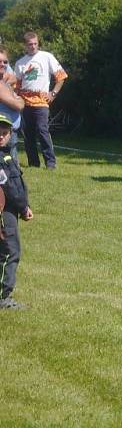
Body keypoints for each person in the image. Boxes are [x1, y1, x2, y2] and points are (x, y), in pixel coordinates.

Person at [13, 31, 68, 169]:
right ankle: (33, 163)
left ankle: (50, 163)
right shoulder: (20, 63)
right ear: (25, 45)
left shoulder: (47, 57)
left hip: (42, 102)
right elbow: (16, 86)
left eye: (35, 43)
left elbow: (61, 77)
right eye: (30, 44)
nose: (33, 46)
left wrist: (53, 93)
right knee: (28, 135)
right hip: (25, 102)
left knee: (42, 130)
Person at [0, 113, 34, 311]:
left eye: (5, 132)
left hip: (12, 210)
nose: (1, 135)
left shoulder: (7, 156)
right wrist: (23, 206)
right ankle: (3, 297)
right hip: (5, 213)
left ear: (11, 133)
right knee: (9, 252)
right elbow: (10, 189)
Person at [0, 47, 24, 160]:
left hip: (10, 130)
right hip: (3, 132)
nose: (3, 64)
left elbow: (19, 100)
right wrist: (17, 99)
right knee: (10, 168)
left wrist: (18, 99)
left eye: (5, 62)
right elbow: (19, 105)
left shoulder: (4, 83)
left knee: (10, 166)